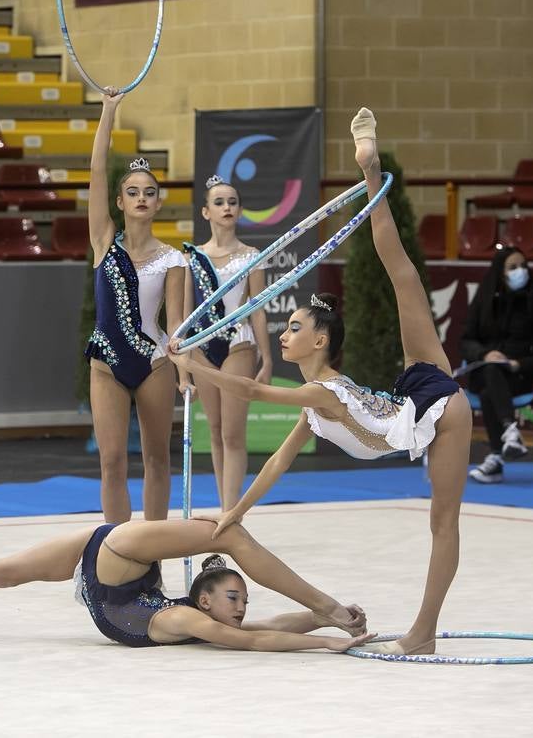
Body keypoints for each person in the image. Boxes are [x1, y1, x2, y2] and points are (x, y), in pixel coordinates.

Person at [169, 108, 473, 657]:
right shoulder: (318, 403)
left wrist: (194, 366)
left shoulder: (320, 393)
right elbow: (276, 464)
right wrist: (235, 514)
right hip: (414, 388)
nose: (283, 334)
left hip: (442, 410)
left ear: (319, 343)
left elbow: (257, 391)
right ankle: (370, 174)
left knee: (442, 523)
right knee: (400, 274)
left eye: (293, 328)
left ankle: (423, 633)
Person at [0, 517, 373, 653]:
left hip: (110, 562)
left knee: (0, 572)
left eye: (240, 601)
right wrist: (328, 633)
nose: (240, 609)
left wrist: (324, 629)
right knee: (230, 534)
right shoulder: (187, 620)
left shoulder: (189, 618)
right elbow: (256, 637)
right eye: (234, 598)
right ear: (205, 597)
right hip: (115, 558)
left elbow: (260, 629)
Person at [86, 88, 185, 523]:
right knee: (111, 464)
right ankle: (114, 555)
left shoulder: (174, 259)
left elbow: (178, 325)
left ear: (158, 202)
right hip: (106, 363)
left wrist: (187, 372)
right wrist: (109, 111)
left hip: (154, 363)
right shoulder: (104, 242)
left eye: (149, 191)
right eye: (132, 191)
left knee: (157, 460)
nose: (141, 197)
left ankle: (153, 552)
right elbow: (95, 170)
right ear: (120, 201)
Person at [181, 175, 274, 508]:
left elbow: (258, 309)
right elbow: (188, 316)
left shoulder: (252, 255)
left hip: (239, 343)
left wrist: (267, 357)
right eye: (219, 203)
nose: (226, 207)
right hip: (204, 348)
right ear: (206, 212)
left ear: (240, 210)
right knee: (217, 431)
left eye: (232, 202)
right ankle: (225, 506)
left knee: (233, 433)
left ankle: (232, 512)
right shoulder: (192, 258)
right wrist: (185, 368)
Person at [461, 248, 533, 484]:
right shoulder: (485, 298)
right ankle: (509, 435)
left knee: (489, 390)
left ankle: (499, 452)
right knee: (491, 370)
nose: (521, 272)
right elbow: (466, 341)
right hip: (483, 371)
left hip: (519, 375)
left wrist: (519, 364)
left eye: (523, 266)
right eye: (513, 267)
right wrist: (484, 354)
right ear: (500, 273)